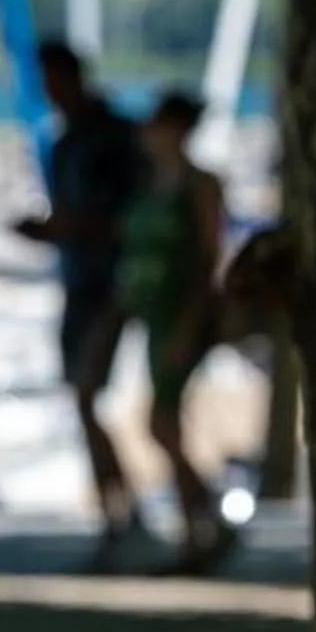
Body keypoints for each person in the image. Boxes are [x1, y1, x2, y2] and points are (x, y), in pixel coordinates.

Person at [14, 40, 149, 563]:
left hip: (111, 283)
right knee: (83, 397)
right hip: (80, 281)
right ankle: (117, 512)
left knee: (89, 392)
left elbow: (126, 217)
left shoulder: (111, 137)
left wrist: (65, 229)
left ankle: (126, 513)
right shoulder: (66, 141)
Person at [123, 90, 233, 570]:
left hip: (184, 317)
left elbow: (210, 259)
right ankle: (203, 523)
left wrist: (190, 323)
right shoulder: (149, 183)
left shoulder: (200, 184)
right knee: (163, 423)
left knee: (161, 422)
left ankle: (203, 525)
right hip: (153, 314)